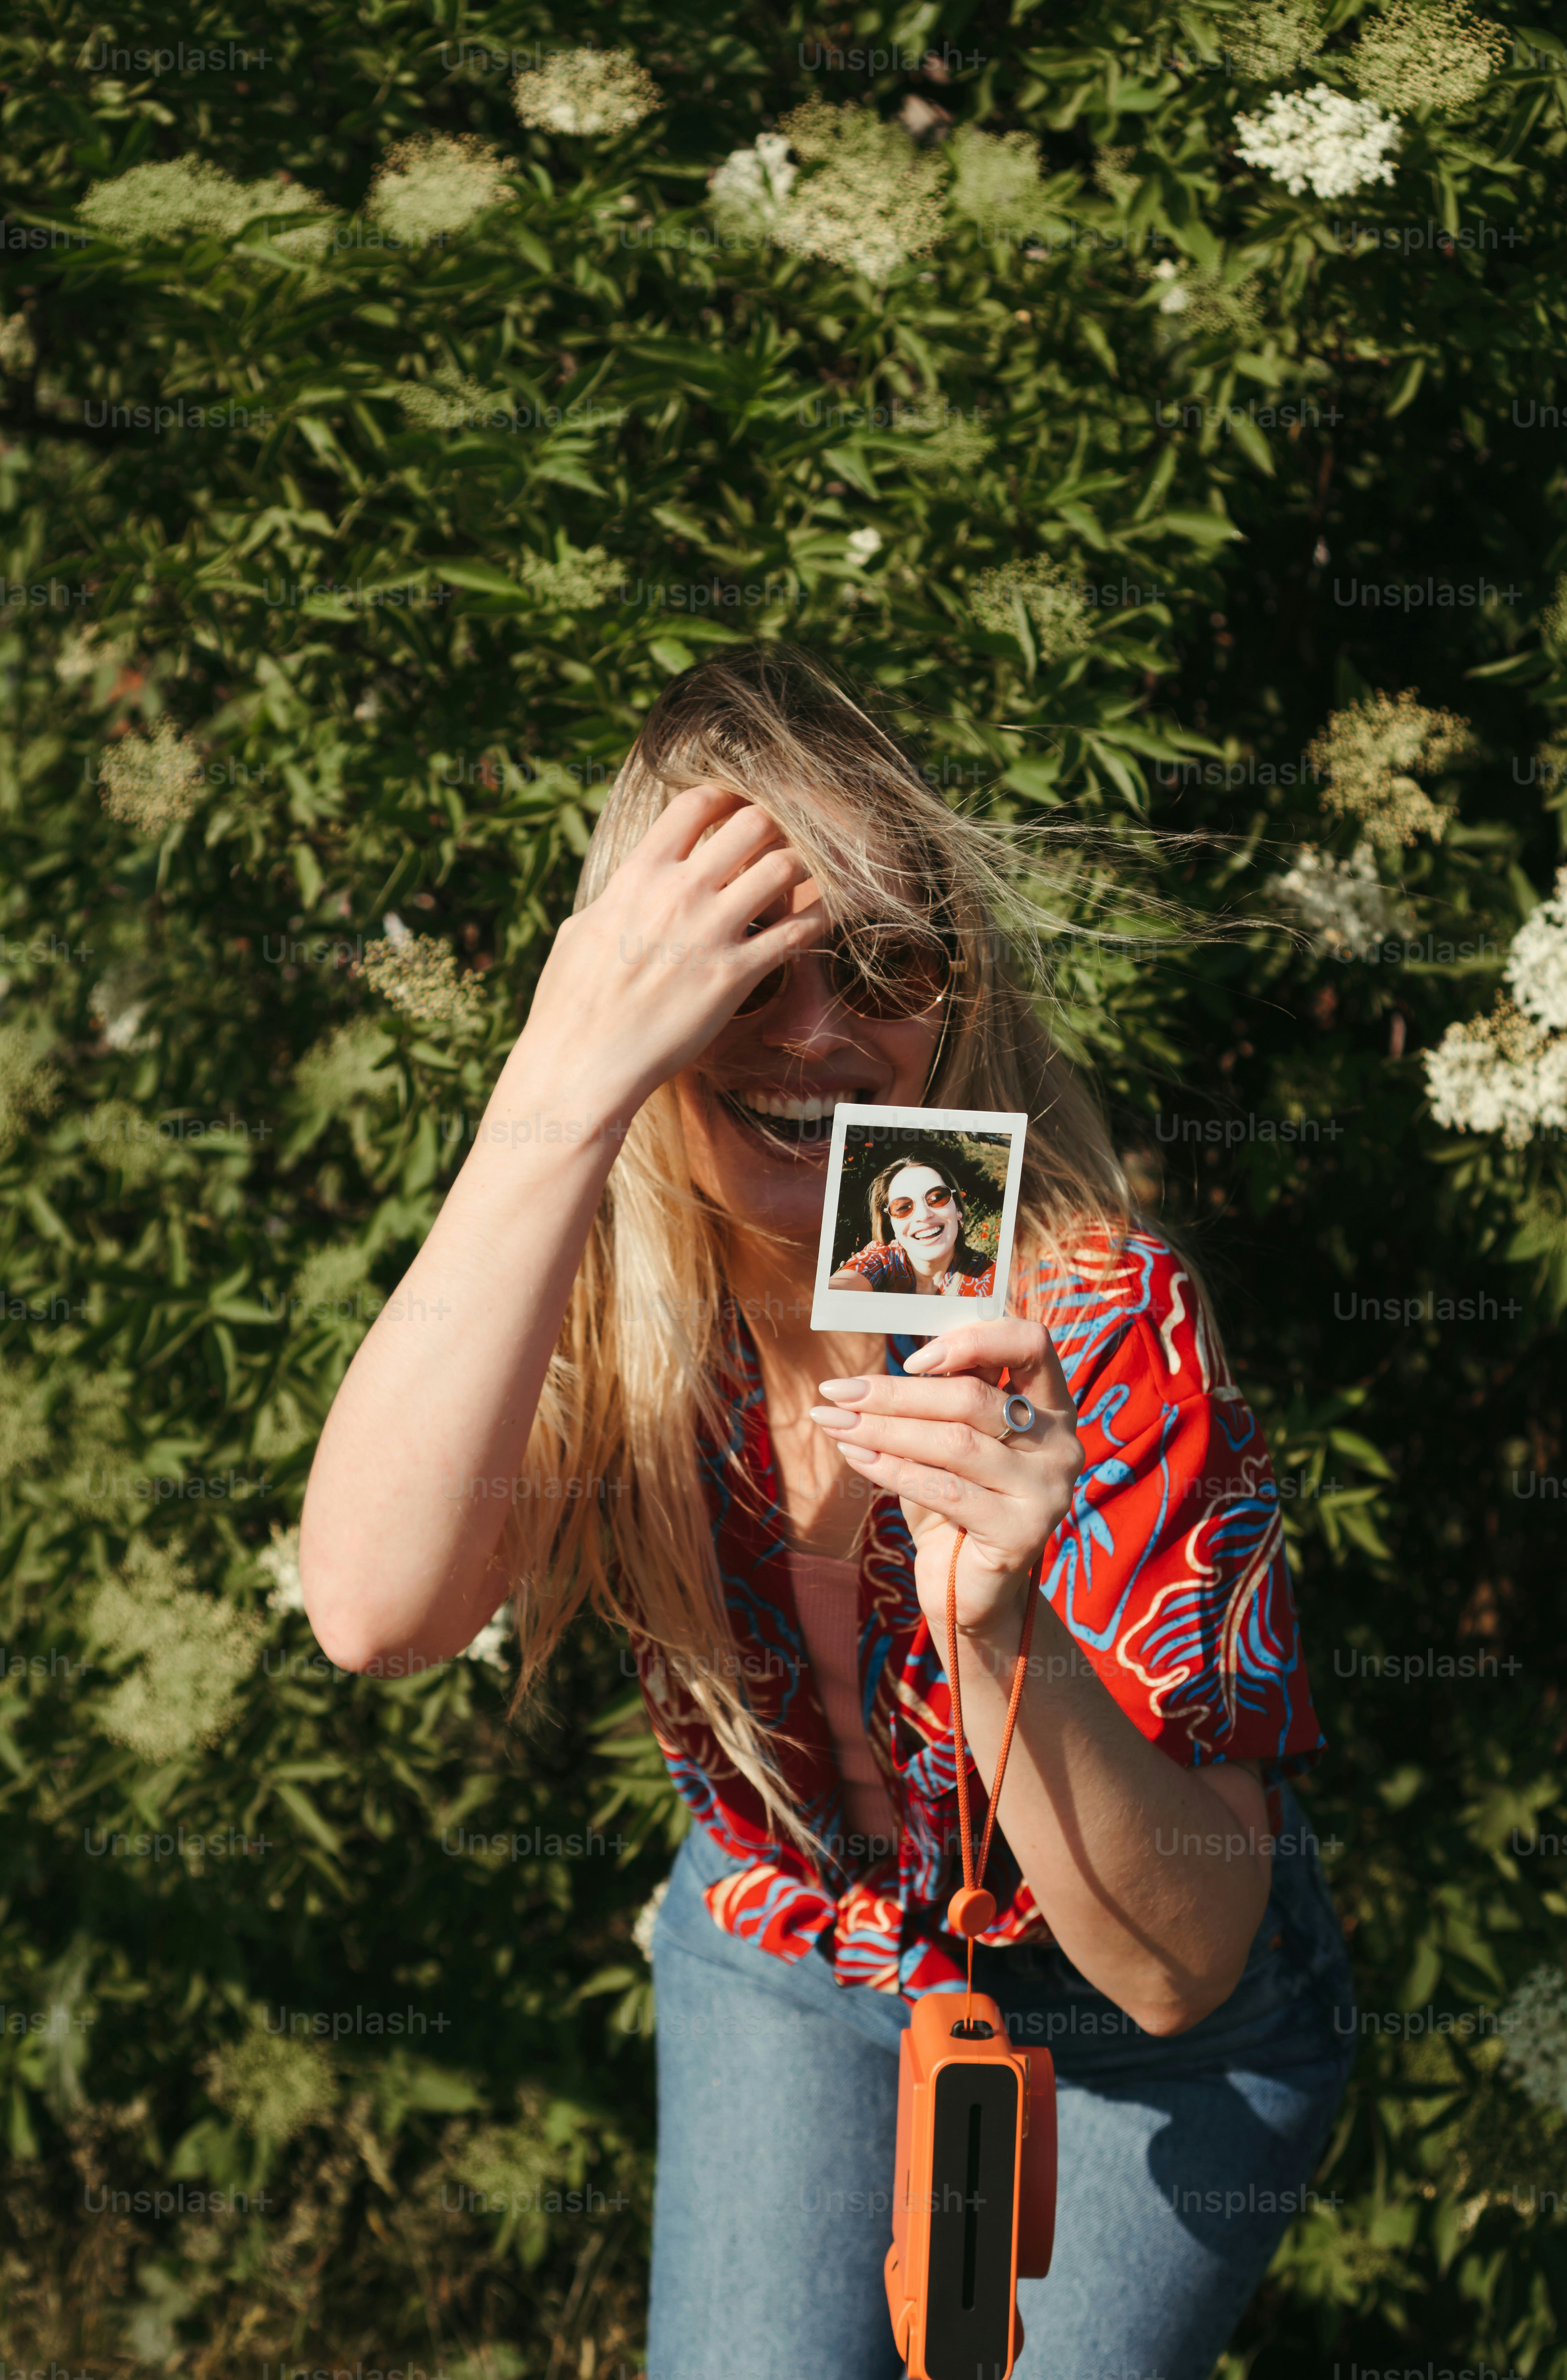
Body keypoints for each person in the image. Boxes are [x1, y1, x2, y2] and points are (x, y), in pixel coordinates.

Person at [300, 645, 1353, 2380]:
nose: (812, 1031)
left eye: (878, 963)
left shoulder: (1091, 1324)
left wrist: (1000, 1622)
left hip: (1138, 2013)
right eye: (738, 976)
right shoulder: (584, 1279)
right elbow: (371, 1611)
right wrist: (555, 1089)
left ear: (952, 989)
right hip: (798, 1927)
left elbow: (1183, 1965)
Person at [829, 1152, 998, 1296]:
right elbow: (832, 1292)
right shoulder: (880, 1261)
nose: (924, 1215)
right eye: (903, 1208)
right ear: (892, 1224)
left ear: (958, 1210)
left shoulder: (991, 1277)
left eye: (938, 1198)